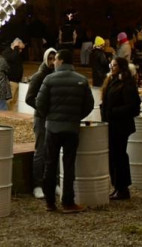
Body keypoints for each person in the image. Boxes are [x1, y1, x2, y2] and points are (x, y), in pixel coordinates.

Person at [35, 49, 95, 213]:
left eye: (56, 60)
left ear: (60, 61)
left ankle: (50, 203)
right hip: (71, 129)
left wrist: (50, 116)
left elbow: (39, 104)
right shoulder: (81, 80)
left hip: (52, 128)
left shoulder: (49, 79)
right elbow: (89, 105)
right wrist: (75, 116)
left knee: (50, 164)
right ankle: (68, 202)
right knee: (69, 166)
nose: (54, 62)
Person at [100, 55, 142, 200]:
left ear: (121, 67)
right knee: (113, 156)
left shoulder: (127, 84)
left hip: (120, 126)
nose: (111, 67)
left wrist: (113, 112)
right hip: (111, 125)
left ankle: (122, 188)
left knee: (119, 157)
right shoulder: (112, 80)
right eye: (111, 65)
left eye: (115, 65)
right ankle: (117, 186)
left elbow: (134, 107)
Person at [26, 48, 58, 199]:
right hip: (41, 118)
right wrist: (43, 109)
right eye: (49, 58)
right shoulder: (39, 76)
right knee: (40, 151)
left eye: (54, 58)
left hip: (54, 118)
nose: (52, 62)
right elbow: (29, 98)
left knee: (54, 151)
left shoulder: (57, 75)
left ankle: (53, 182)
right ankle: (37, 185)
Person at [4, 37, 26, 110]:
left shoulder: (16, 53)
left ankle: (11, 116)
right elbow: (13, 58)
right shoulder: (8, 52)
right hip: (10, 81)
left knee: (13, 102)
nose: (20, 51)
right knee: (9, 101)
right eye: (19, 49)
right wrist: (16, 47)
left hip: (16, 81)